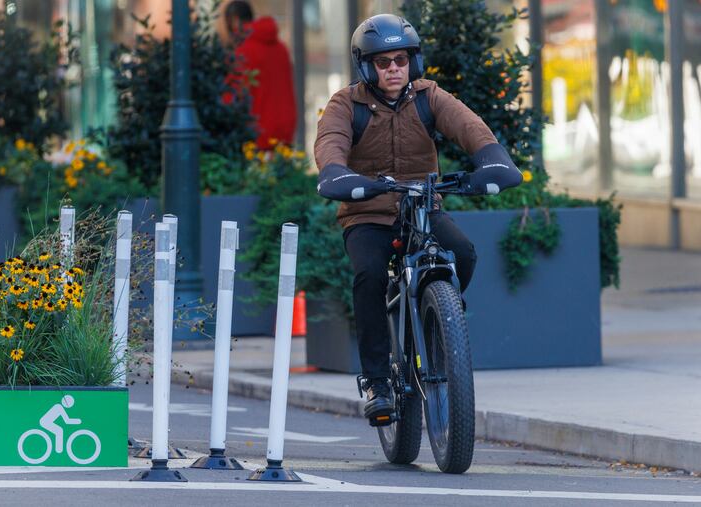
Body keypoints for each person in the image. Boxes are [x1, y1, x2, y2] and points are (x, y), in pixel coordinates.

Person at [314, 14, 522, 423]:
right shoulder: (345, 104)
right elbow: (330, 143)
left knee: (462, 252)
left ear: (413, 62)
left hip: (422, 207)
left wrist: (492, 159)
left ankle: (442, 320)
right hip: (368, 213)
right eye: (383, 61)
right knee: (370, 275)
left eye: (401, 59)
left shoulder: (429, 97)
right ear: (366, 67)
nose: (393, 68)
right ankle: (376, 380)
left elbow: (471, 128)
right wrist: (336, 172)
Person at [223, 0, 297, 150]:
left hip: (256, 134)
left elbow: (231, 96)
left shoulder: (242, 52)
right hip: (285, 129)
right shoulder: (281, 48)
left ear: (234, 21)